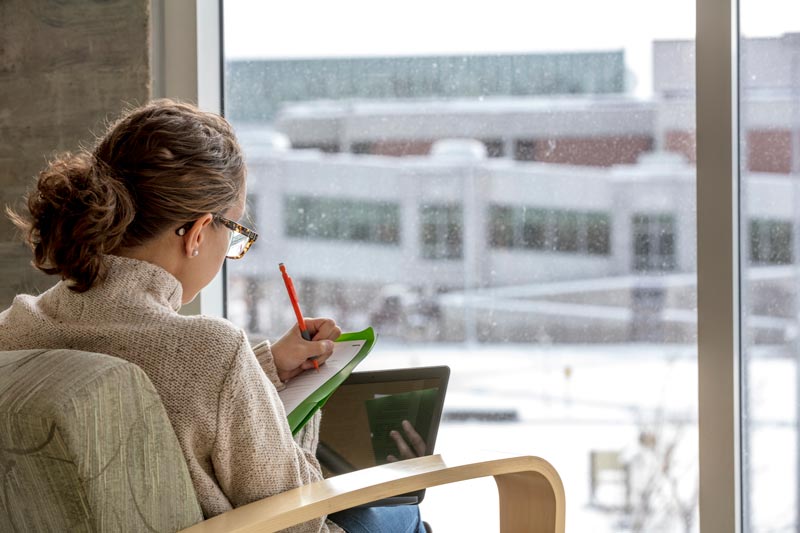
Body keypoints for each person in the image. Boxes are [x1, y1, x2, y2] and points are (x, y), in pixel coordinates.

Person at [0, 99, 426, 533]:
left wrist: (261, 370)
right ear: (199, 233)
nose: (232, 251)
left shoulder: (15, 326)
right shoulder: (212, 351)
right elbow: (299, 521)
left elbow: (153, 390)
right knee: (401, 511)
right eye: (235, 231)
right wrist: (295, 411)